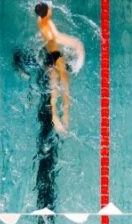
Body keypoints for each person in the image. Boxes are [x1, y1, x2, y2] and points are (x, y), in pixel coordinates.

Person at [34, 2, 84, 134]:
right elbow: (58, 37)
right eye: (50, 9)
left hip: (49, 57)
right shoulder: (48, 26)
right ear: (47, 13)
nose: (51, 9)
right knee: (65, 89)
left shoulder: (41, 21)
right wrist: (76, 44)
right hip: (56, 58)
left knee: (54, 91)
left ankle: (56, 120)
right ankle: (64, 119)